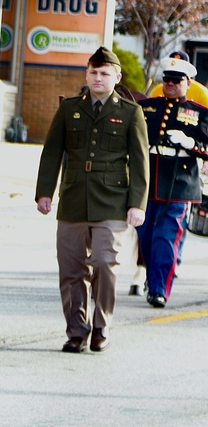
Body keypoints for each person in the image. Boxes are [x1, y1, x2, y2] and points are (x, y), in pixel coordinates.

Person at [35, 46, 149, 353]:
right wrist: (44, 192)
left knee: (104, 262)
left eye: (104, 73)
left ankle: (101, 324)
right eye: (93, 72)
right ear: (87, 74)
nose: (98, 78)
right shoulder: (70, 108)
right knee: (71, 270)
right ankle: (76, 331)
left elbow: (139, 162)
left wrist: (138, 203)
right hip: (73, 199)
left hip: (112, 200)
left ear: (116, 77)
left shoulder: (130, 112)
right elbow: (52, 152)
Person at [137, 54, 208, 308]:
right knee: (145, 238)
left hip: (178, 183)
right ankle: (151, 277)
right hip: (148, 180)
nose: (170, 84)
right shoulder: (147, 108)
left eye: (177, 80)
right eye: (167, 79)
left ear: (188, 82)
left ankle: (159, 289)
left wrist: (191, 144)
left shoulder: (200, 114)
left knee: (166, 237)